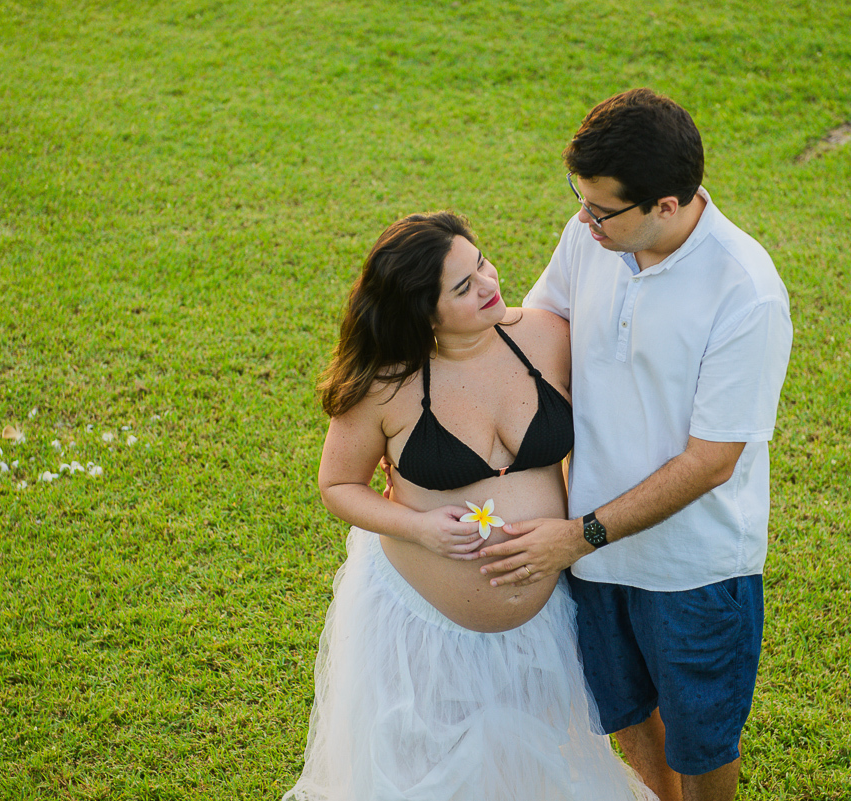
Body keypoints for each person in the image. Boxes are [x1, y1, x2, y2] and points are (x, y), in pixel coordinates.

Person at [479, 89, 793, 801]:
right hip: (594, 554)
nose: (584, 221)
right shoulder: (591, 237)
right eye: (579, 200)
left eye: (602, 209)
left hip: (694, 570)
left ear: (669, 205)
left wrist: (578, 536)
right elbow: (537, 334)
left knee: (703, 736)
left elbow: (713, 459)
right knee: (625, 713)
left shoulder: (746, 292)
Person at [283, 211, 655, 800]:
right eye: (463, 286)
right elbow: (337, 487)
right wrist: (420, 527)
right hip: (423, 634)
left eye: (481, 262)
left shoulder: (546, 337)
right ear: (420, 311)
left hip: (544, 626)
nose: (488, 284)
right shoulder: (385, 382)